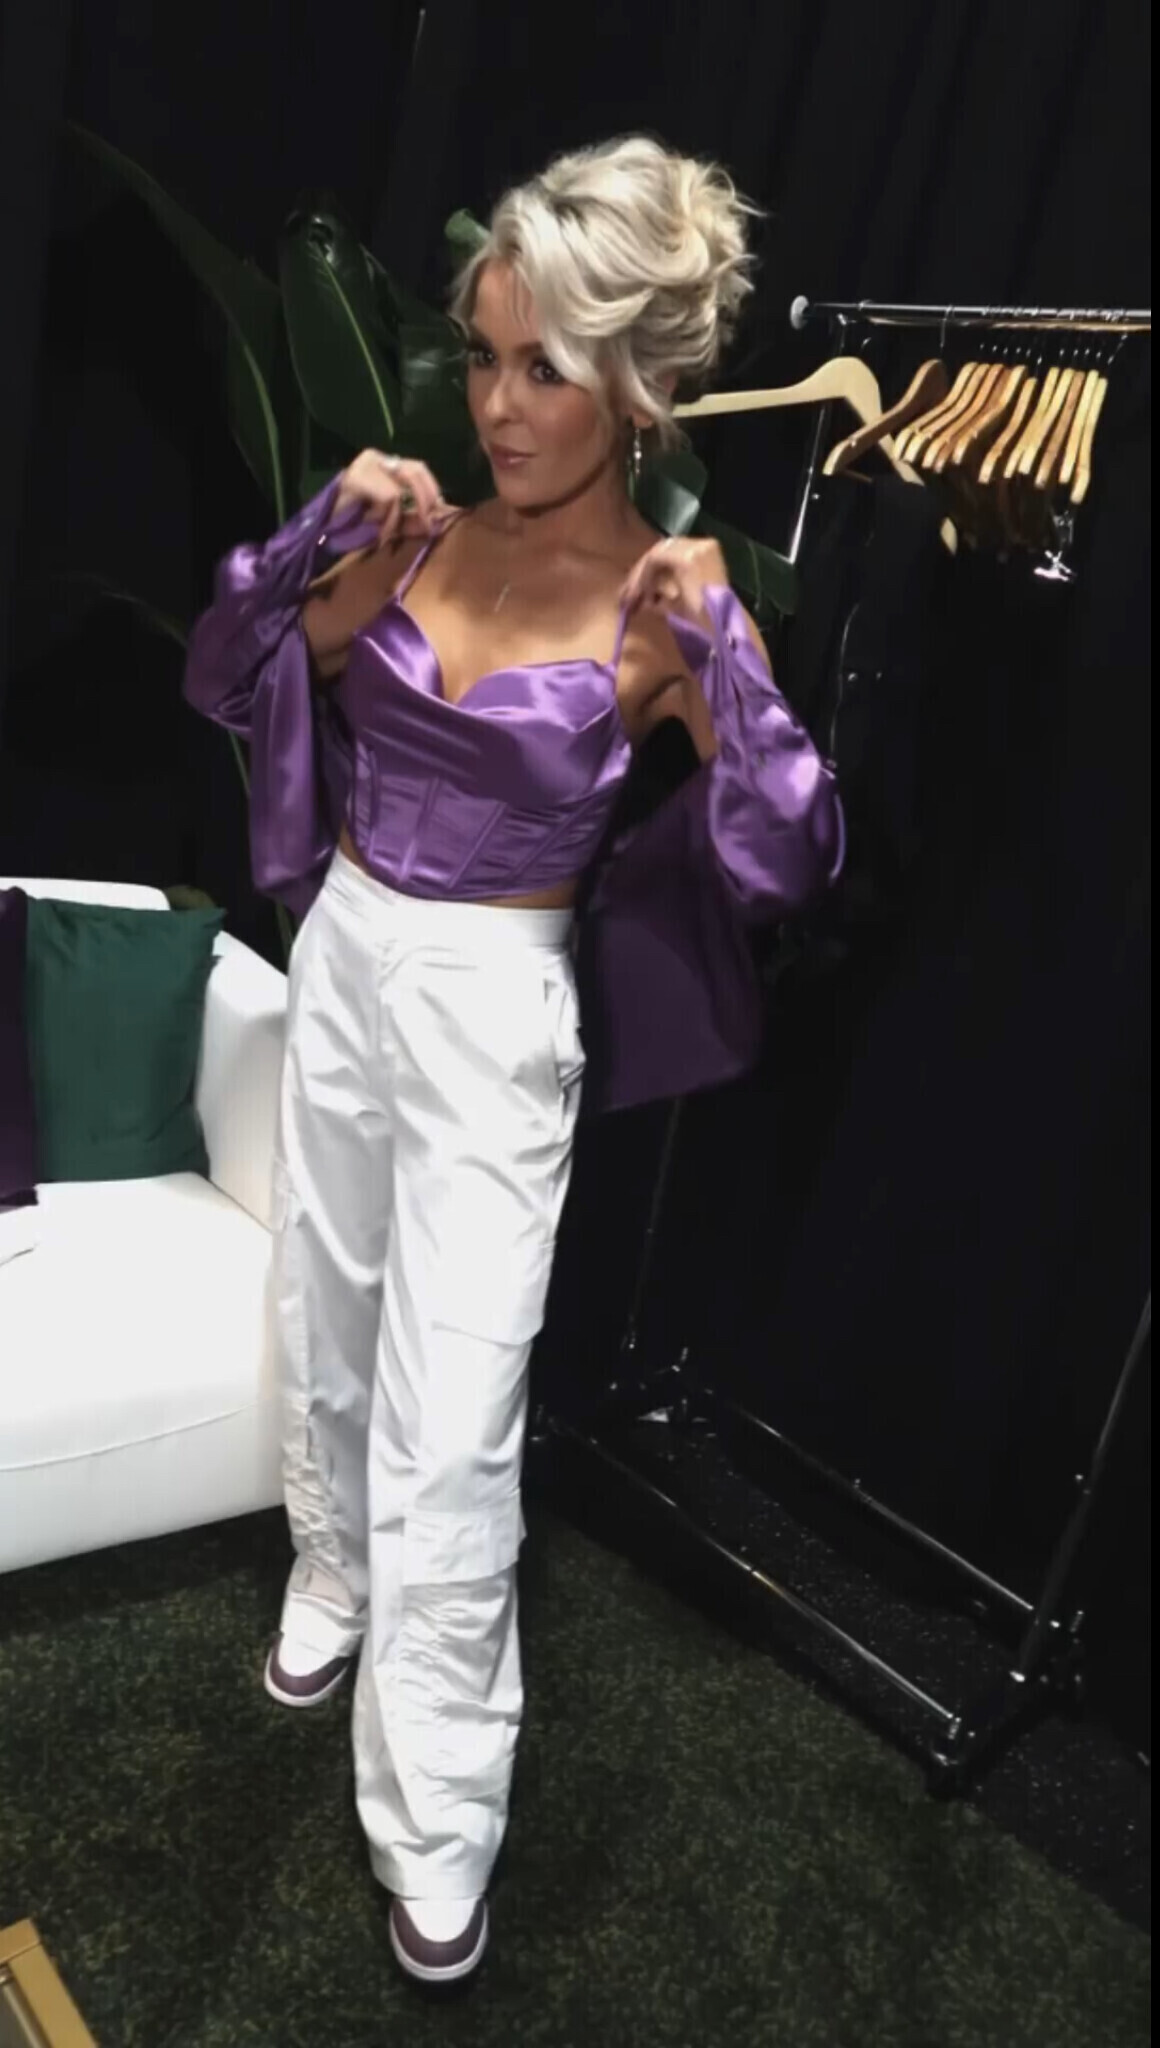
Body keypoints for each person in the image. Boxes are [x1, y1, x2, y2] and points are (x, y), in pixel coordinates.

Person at [183, 135, 842, 1986]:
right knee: (325, 1304)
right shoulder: (410, 533)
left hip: (497, 1008)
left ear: (636, 384)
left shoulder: (663, 604)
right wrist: (317, 528)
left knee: (457, 1417)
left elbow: (792, 860)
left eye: (543, 368)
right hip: (346, 958)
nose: (495, 404)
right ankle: (331, 1570)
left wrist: (735, 670)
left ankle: (441, 1809)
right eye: (483, 358)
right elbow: (225, 672)